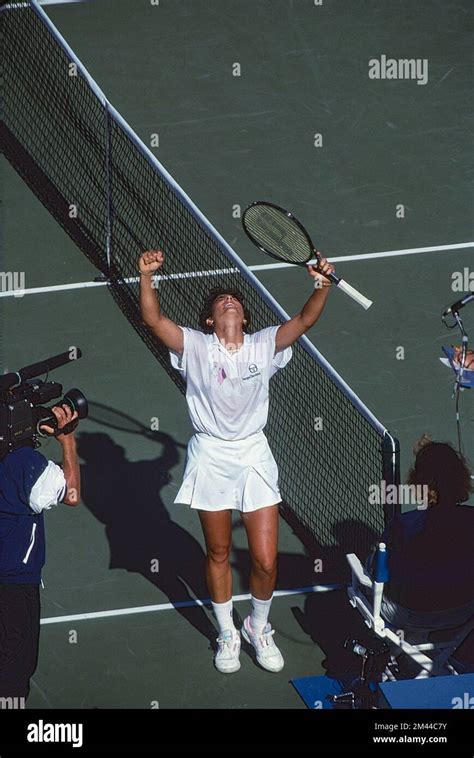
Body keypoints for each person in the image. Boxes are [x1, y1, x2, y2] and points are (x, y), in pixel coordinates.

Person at [139, 248, 334, 673]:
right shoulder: (195, 346)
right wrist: (147, 277)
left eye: (236, 300)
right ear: (210, 319)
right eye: (221, 301)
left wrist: (321, 282)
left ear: (244, 317)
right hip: (210, 454)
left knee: (266, 559)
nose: (230, 301)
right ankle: (226, 631)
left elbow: (304, 321)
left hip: (253, 454)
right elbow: (154, 321)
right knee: (220, 550)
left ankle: (257, 627)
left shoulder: (264, 344)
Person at [0, 404, 81, 703]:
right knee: (13, 670)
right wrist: (67, 440)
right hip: (14, 586)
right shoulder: (25, 463)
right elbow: (71, 494)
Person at [377, 435, 474, 645]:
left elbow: (381, 572)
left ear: (417, 483)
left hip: (408, 615)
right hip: (464, 612)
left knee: (373, 567)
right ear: (462, 478)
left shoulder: (401, 525)